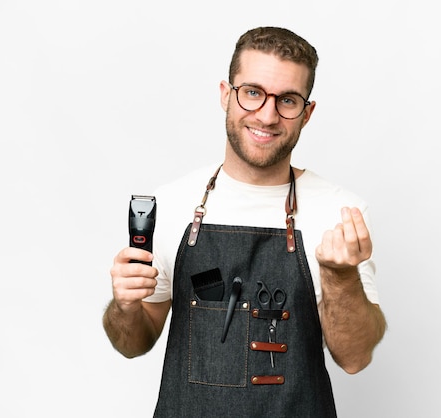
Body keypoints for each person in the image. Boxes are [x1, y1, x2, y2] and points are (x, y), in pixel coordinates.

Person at [103, 26, 386, 417]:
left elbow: (355, 358)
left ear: (307, 113)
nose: (267, 115)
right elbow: (132, 343)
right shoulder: (170, 205)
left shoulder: (339, 214)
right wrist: (124, 305)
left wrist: (340, 277)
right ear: (226, 94)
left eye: (287, 100)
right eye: (253, 92)